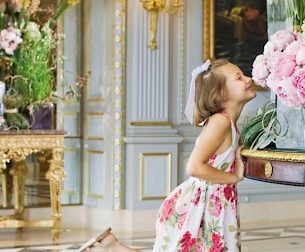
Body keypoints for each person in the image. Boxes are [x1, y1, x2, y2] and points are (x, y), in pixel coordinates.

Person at [85, 58, 256, 252]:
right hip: (197, 206)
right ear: (220, 93)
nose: (248, 79)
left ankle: (111, 245)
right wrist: (234, 177)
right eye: (239, 77)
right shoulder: (220, 122)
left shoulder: (227, 123)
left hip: (212, 205)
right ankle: (111, 247)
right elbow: (194, 167)